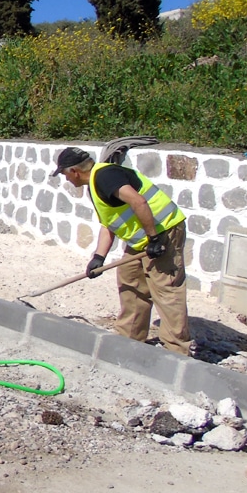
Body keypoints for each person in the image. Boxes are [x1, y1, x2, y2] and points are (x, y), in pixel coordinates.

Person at [52, 146, 191, 355]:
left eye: (64, 174)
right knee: (130, 280)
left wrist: (154, 239)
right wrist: (98, 257)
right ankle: (129, 339)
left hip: (164, 232)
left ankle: (176, 352)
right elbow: (109, 224)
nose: (67, 180)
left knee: (166, 289)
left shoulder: (105, 176)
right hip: (142, 240)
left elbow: (138, 201)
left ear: (74, 171)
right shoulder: (95, 185)